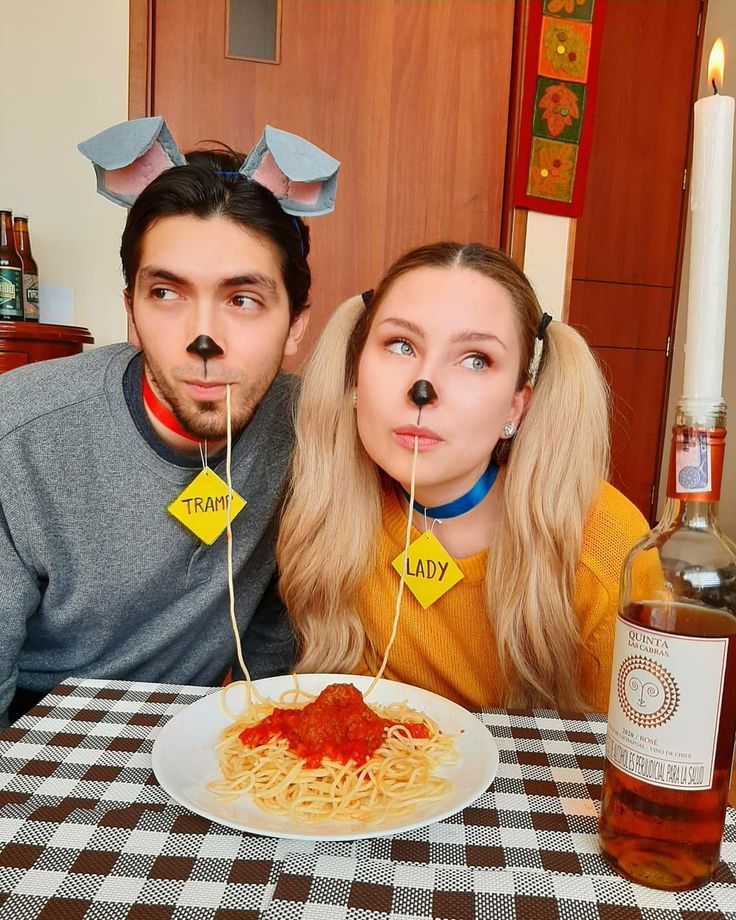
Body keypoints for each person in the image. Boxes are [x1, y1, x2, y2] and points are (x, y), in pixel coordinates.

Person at [0, 143, 318, 728]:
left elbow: (277, 636)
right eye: (166, 294)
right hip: (34, 730)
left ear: (296, 324)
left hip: (198, 735)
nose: (203, 339)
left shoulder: (306, 430)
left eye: (243, 300)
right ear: (131, 311)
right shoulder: (18, 436)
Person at [277, 242, 654, 713]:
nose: (423, 388)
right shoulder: (325, 506)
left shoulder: (605, 550)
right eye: (400, 345)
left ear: (517, 406)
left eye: (476, 359)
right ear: (355, 374)